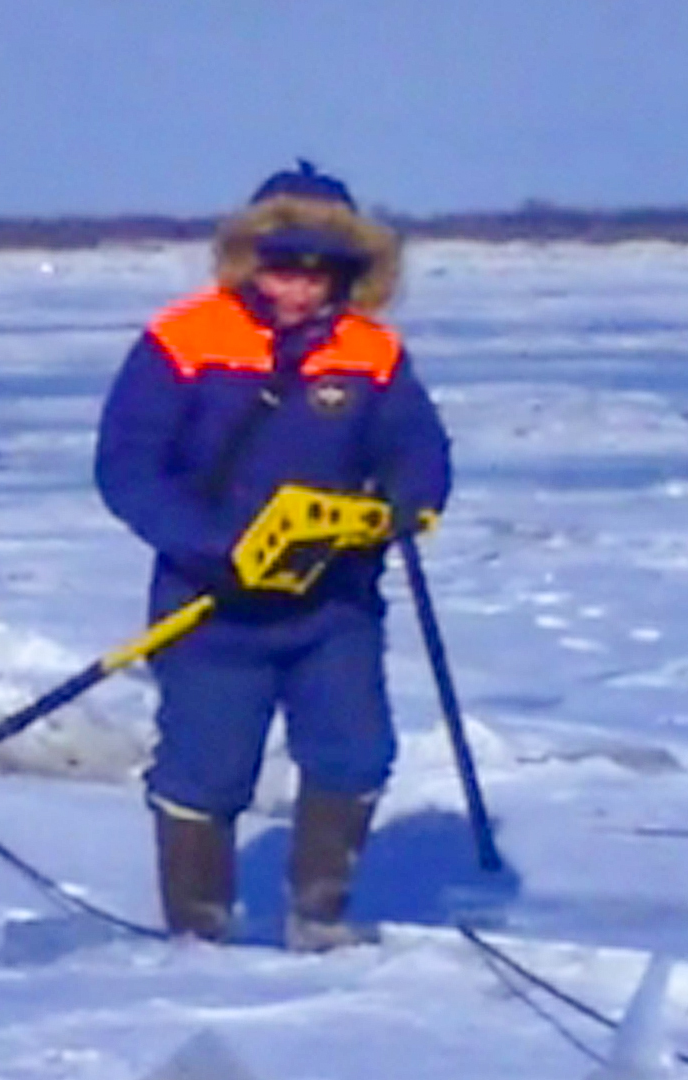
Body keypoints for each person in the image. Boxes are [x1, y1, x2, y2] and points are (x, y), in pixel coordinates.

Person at [95, 162, 452, 950]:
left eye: (319, 271)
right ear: (252, 257)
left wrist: (403, 503)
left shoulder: (373, 354)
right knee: (206, 769)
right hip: (212, 604)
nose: (299, 288)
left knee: (355, 752)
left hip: (334, 605)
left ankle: (320, 916)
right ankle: (199, 931)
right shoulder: (181, 339)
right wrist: (210, 547)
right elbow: (126, 467)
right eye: (284, 265)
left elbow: (418, 453)